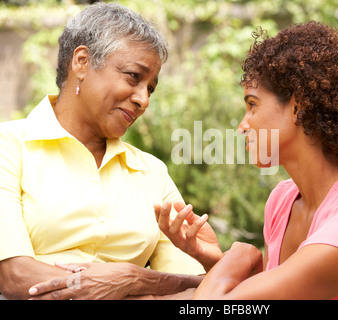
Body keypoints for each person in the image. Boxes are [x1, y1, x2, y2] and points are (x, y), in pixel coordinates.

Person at [155, 22, 338, 299]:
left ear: (298, 107)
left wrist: (239, 258)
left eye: (252, 104)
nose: (242, 126)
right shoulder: (283, 201)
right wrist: (213, 259)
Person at [0, 2, 207, 300]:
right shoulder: (9, 146)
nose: (143, 100)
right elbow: (16, 275)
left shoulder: (152, 172)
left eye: (150, 88)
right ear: (82, 62)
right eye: (134, 77)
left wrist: (134, 279)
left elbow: (192, 281)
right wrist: (130, 284)